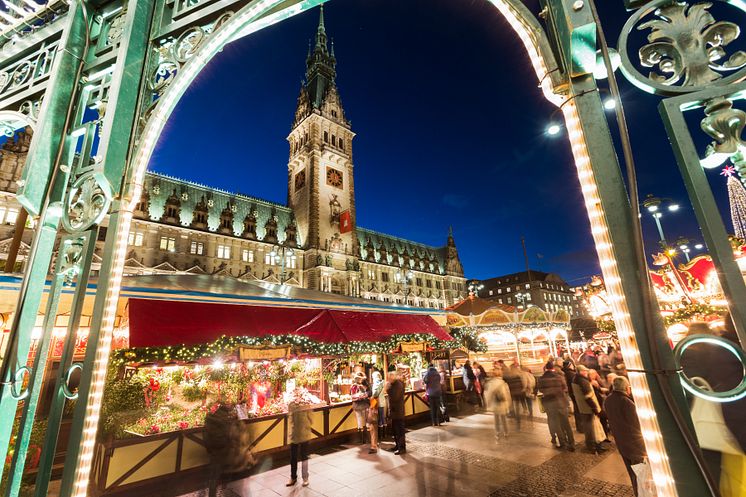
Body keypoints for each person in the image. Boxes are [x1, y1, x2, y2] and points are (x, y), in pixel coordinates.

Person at [604, 376, 646, 495]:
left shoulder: (608, 400)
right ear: (627, 388)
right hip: (635, 446)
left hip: (622, 444)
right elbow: (636, 426)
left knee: (632, 473)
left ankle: (637, 492)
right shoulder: (627, 402)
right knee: (641, 474)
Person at [537, 362, 575, 451]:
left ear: (546, 368)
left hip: (550, 404)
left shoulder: (541, 379)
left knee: (556, 424)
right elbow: (565, 388)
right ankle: (571, 443)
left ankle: (563, 443)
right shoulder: (559, 377)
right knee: (566, 424)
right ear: (553, 368)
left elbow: (541, 390)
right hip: (561, 403)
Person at [571, 365, 606, 453]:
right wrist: (595, 409)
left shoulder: (575, 379)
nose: (586, 373)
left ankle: (591, 444)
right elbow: (588, 397)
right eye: (585, 371)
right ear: (580, 372)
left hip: (582, 407)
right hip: (588, 408)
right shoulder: (583, 381)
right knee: (591, 428)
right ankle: (592, 446)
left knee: (588, 427)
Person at [204, 403, 236, 497]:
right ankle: (223, 491)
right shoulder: (225, 421)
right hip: (223, 451)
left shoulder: (210, 419)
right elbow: (229, 436)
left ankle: (213, 493)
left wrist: (209, 449)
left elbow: (206, 436)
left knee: (214, 475)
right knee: (223, 473)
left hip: (214, 452)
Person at [286, 397, 313, 487]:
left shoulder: (306, 405)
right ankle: (293, 477)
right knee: (293, 457)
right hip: (294, 434)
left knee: (304, 456)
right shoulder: (291, 405)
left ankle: (305, 478)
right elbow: (290, 418)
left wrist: (305, 426)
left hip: (304, 434)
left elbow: (311, 419)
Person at [485, 369, 511, 440]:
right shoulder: (503, 383)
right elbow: (507, 395)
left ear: (493, 375)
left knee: (496, 419)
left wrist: (488, 404)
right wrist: (508, 404)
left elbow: (488, 395)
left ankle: (497, 433)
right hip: (502, 404)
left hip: (495, 404)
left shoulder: (490, 383)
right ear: (500, 374)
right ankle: (506, 432)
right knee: (504, 419)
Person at [386, 369, 407, 455]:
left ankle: (401, 448)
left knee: (399, 430)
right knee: (395, 430)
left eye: (388, 377)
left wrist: (387, 389)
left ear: (392, 377)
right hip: (395, 411)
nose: (388, 379)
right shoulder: (394, 384)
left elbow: (395, 397)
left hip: (398, 411)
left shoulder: (398, 385)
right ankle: (397, 445)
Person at [505, 364, 528, 429]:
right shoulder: (518, 376)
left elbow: (507, 385)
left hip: (513, 394)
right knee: (518, 406)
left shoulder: (508, 377)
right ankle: (518, 418)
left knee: (515, 406)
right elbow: (523, 383)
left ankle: (517, 418)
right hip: (520, 393)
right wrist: (523, 388)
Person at [350, 372, 370, 444]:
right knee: (363, 421)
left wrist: (360, 396)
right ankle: (364, 439)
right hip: (363, 404)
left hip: (358, 405)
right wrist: (362, 396)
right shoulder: (361, 386)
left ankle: (362, 439)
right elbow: (365, 394)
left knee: (360, 421)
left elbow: (352, 396)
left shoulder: (353, 386)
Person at [563, 360, 582, 432]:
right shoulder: (571, 374)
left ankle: (579, 427)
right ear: (569, 366)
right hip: (574, 393)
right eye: (571, 365)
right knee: (578, 409)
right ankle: (580, 427)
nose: (573, 365)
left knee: (577, 408)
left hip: (572, 393)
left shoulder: (566, 372)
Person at [371, 370, 387, 441]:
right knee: (382, 417)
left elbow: (375, 394)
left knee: (380, 417)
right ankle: (384, 434)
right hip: (383, 401)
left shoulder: (376, 383)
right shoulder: (383, 382)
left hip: (378, 402)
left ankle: (380, 435)